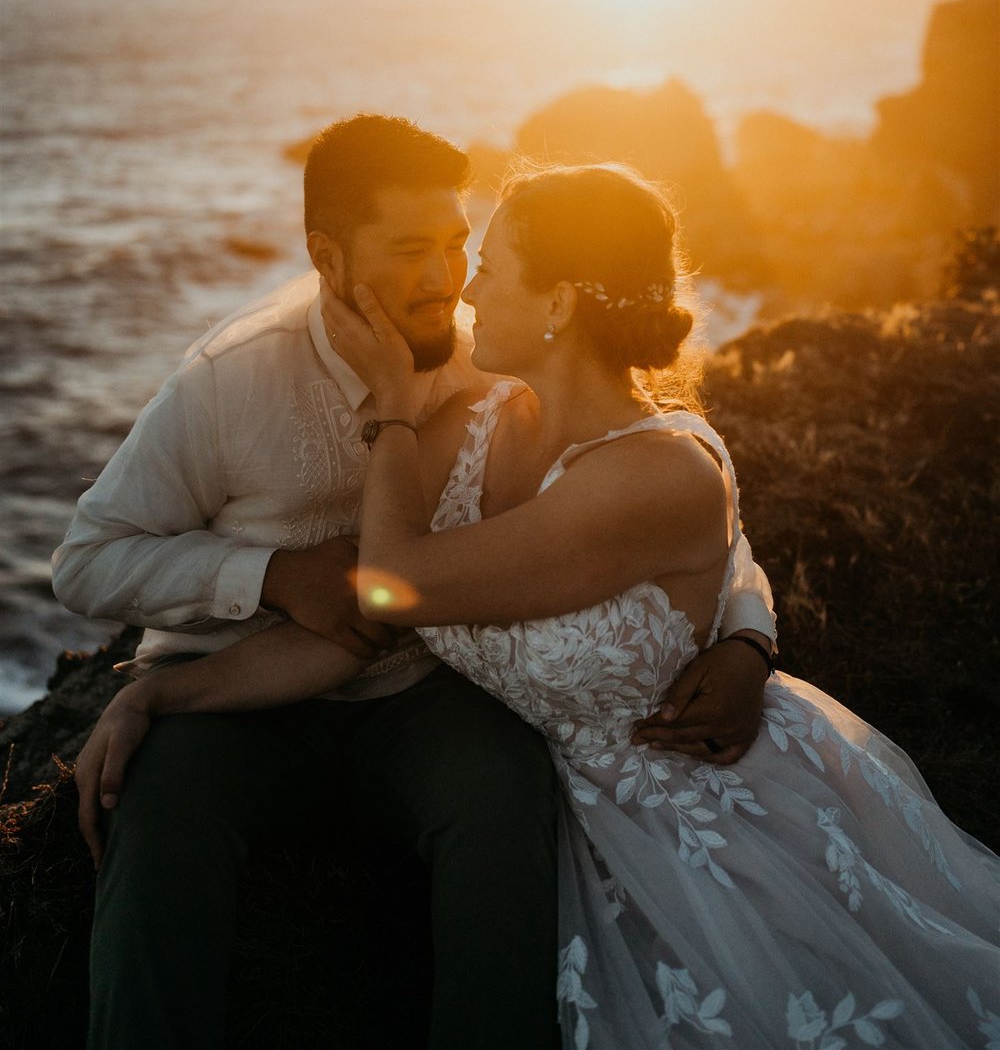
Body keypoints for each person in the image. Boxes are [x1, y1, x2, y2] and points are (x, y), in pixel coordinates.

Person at [80, 160, 999, 1048]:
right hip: (569, 795)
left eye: (480, 258)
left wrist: (748, 638)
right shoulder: (464, 423)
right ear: (330, 256)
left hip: (689, 809)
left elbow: (392, 578)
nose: (461, 287)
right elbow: (368, 621)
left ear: (559, 304)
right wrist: (159, 694)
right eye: (426, 252)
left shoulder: (636, 468)